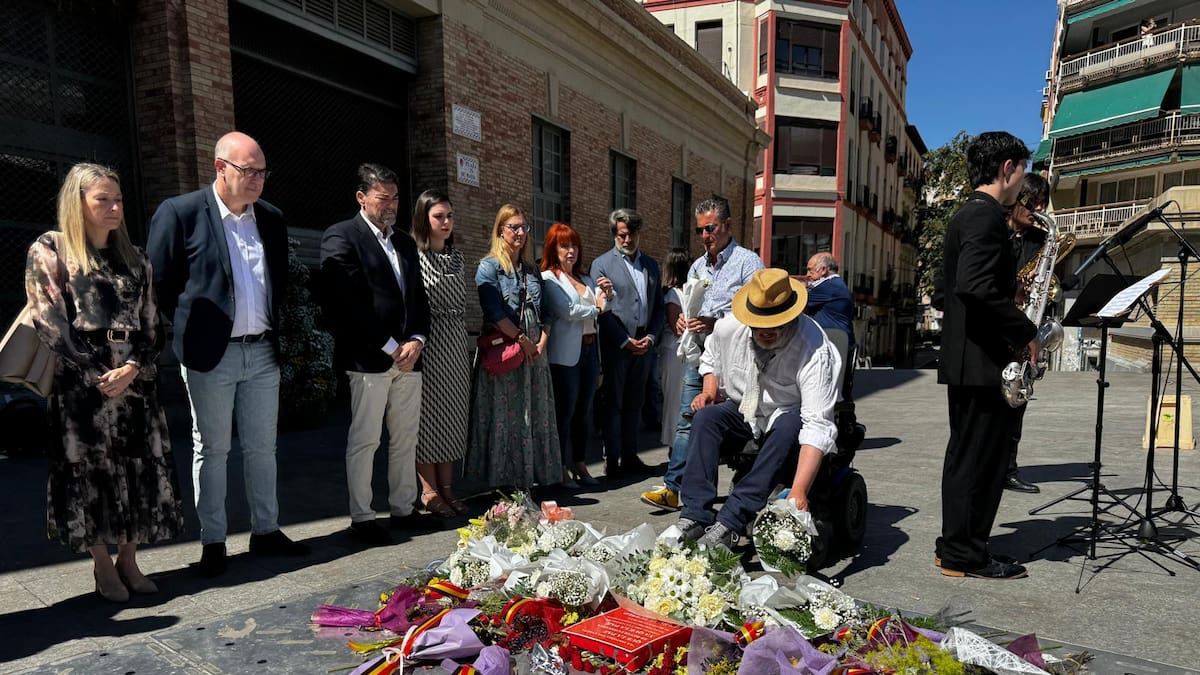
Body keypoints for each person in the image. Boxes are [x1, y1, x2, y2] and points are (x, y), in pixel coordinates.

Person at [148, 131, 308, 578]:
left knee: (263, 448)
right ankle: (214, 541)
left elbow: (280, 283)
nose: (257, 180)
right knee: (212, 448)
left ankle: (266, 529)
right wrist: (190, 330)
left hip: (261, 352)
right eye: (248, 171)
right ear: (220, 168)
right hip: (209, 355)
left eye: (262, 171)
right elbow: (160, 283)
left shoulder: (270, 218)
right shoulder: (181, 213)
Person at [26, 163, 184, 602]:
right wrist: (95, 373)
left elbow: (154, 327)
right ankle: (101, 565)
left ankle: (129, 560)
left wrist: (133, 366)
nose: (115, 207)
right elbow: (49, 320)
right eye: (102, 200)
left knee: (139, 469)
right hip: (80, 384)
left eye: (118, 200)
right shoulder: (51, 251)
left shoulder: (136, 259)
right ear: (78, 203)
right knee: (90, 473)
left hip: (135, 381)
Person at [675, 268, 840, 549]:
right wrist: (709, 391)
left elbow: (817, 424)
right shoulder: (728, 328)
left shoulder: (814, 348)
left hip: (787, 412)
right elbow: (711, 358)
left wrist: (799, 490)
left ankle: (732, 519)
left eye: (775, 323)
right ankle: (694, 514)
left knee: (790, 425)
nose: (766, 331)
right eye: (759, 323)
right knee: (707, 418)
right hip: (745, 408)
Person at [937, 131, 1039, 580]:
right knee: (983, 460)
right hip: (984, 362)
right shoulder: (986, 218)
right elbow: (973, 289)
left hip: (967, 358)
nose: (1023, 183)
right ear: (1007, 168)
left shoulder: (965, 216)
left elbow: (948, 291)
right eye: (1022, 171)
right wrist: (1025, 328)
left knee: (965, 457)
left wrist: (1004, 289)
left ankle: (954, 548)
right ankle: (967, 554)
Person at [320, 164, 431, 546]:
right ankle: (363, 516)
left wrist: (417, 339)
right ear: (361, 197)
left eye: (395, 197)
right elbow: (347, 303)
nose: (391, 205)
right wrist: (390, 346)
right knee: (366, 439)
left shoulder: (403, 241)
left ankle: (403, 508)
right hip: (369, 359)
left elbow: (417, 296)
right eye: (383, 197)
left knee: (405, 438)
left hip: (410, 358)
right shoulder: (342, 236)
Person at [643, 196, 763, 509]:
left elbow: (757, 313)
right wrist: (684, 318)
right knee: (687, 420)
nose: (705, 236)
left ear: (727, 225)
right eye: (700, 231)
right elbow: (691, 304)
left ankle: (740, 489)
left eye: (710, 228)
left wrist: (715, 321)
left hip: (736, 361)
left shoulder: (747, 263)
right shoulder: (697, 266)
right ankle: (673, 488)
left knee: (736, 426)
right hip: (701, 355)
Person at [465, 205, 562, 489]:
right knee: (505, 415)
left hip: (534, 355)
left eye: (524, 227)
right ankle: (503, 479)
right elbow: (493, 311)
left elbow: (548, 312)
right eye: (513, 227)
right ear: (500, 230)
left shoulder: (532, 270)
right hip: (506, 351)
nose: (520, 233)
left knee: (533, 414)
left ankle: (532, 476)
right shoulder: (488, 267)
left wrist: (541, 343)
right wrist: (522, 341)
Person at [412, 190, 472, 515]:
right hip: (430, 341)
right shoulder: (414, 256)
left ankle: (448, 487)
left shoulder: (458, 257)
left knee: (452, 415)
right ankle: (429, 490)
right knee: (429, 417)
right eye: (439, 216)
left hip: (456, 341)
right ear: (425, 218)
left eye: (449, 216)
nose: (446, 222)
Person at [591, 209, 664, 479]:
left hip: (645, 341)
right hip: (617, 344)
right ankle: (612, 458)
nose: (627, 239)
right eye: (622, 234)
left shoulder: (651, 265)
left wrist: (652, 337)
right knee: (614, 402)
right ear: (615, 235)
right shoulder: (601, 264)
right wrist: (624, 341)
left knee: (636, 401)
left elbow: (657, 308)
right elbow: (603, 310)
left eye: (632, 234)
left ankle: (631, 455)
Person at [541, 223, 606, 487]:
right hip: (565, 354)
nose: (571, 251)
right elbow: (566, 311)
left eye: (574, 245)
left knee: (585, 411)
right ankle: (560, 467)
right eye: (565, 246)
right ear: (553, 249)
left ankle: (580, 463)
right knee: (564, 412)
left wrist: (606, 296)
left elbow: (603, 303)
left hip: (590, 349)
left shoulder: (585, 278)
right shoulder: (549, 278)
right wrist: (597, 309)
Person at [1004, 173, 1051, 495]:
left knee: (1018, 402)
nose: (1037, 211)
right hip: (1000, 325)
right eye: (1033, 204)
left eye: (1042, 205)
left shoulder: (1039, 239)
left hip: (1026, 328)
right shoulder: (998, 234)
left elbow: (1050, 277)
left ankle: (1009, 468)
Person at [658, 248, 690, 446]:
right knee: (674, 401)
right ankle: (673, 443)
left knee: (682, 400)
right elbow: (676, 328)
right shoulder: (672, 295)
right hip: (674, 352)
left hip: (683, 353)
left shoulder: (685, 291)